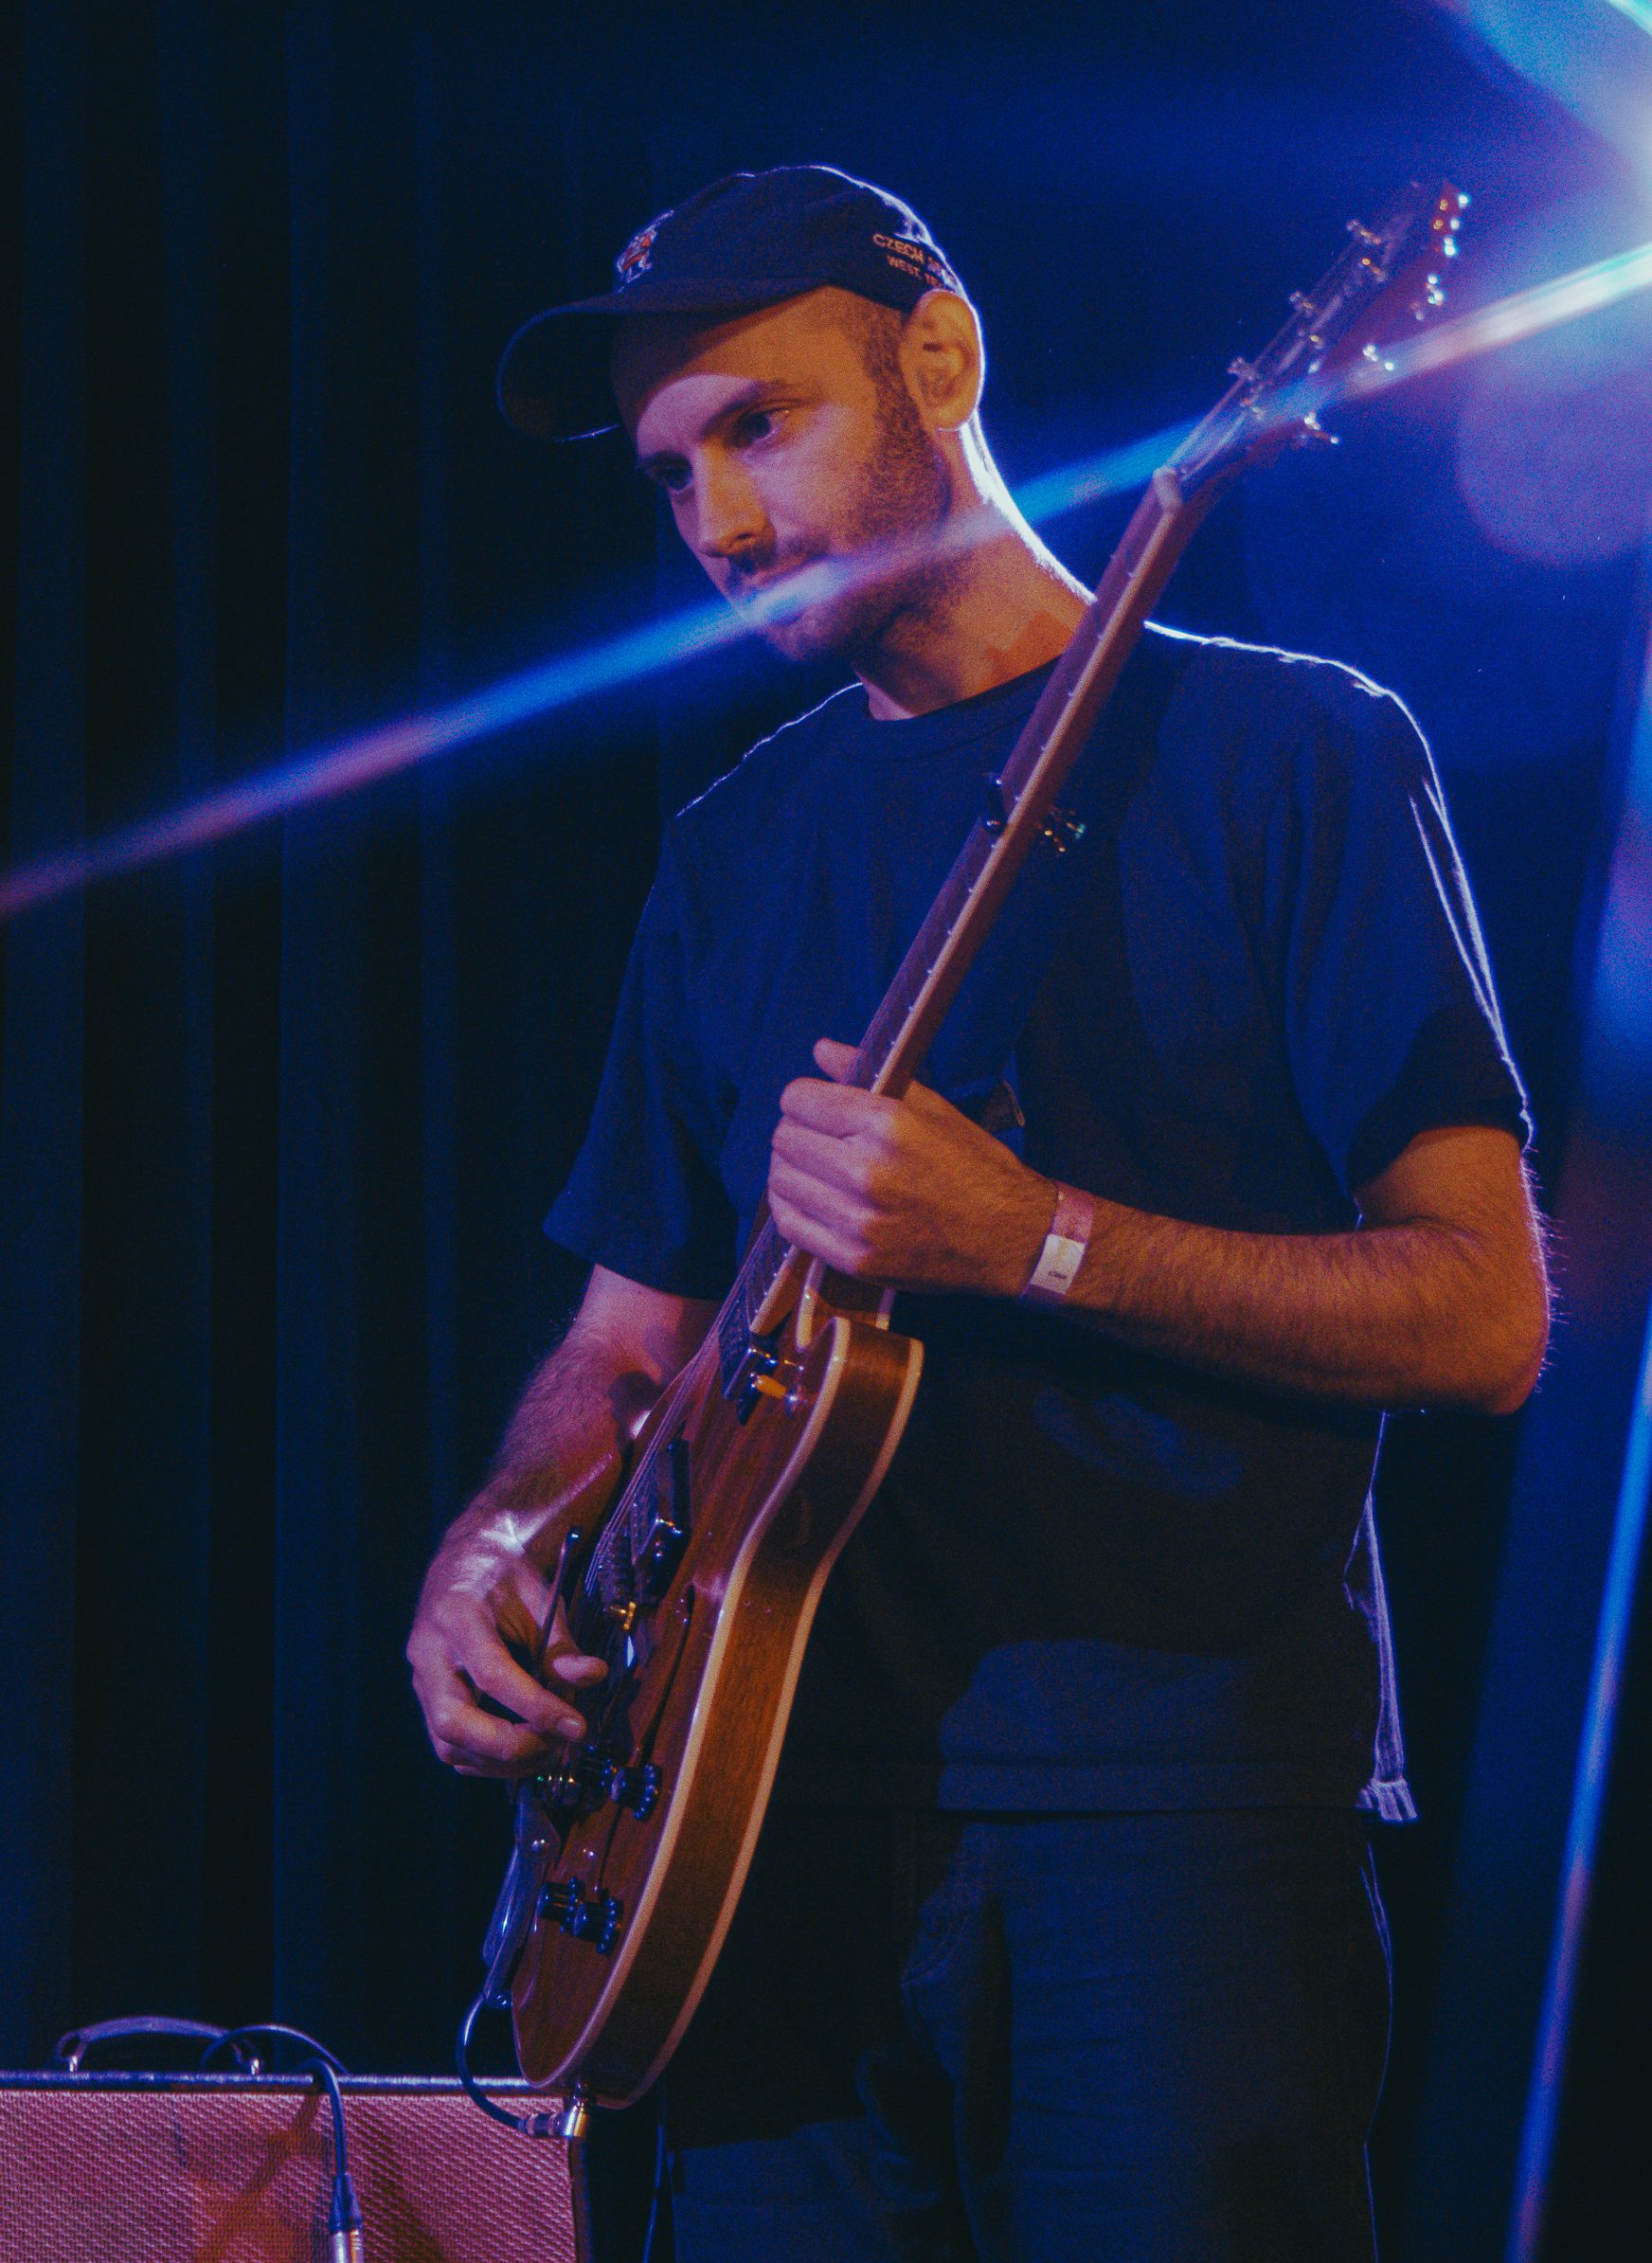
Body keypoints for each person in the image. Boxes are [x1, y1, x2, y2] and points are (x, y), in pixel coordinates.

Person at [406, 166, 1550, 2262]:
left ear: (937, 358)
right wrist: (496, 1541)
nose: (717, 521)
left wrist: (1033, 1237)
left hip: (1172, 1821)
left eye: (759, 426)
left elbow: (1483, 1314)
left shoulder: (1294, 751)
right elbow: (621, 1346)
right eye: (671, 477)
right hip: (738, 1844)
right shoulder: (730, 849)